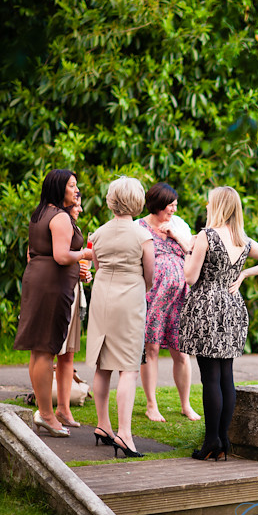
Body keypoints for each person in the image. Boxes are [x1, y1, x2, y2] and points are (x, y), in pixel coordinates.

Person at [178, 186, 258, 460]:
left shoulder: (206, 236)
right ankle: (223, 439)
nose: (206, 204)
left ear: (218, 206)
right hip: (233, 306)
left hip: (207, 307)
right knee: (226, 375)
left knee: (210, 377)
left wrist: (188, 249)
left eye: (209, 201)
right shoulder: (243, 240)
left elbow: (190, 278)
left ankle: (211, 440)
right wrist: (245, 272)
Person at [14, 169, 93, 438]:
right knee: (46, 349)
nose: (76, 190)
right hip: (51, 286)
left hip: (37, 280)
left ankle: (44, 410)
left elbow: (31, 253)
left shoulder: (39, 214)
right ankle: (47, 414)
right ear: (60, 188)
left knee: (39, 349)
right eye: (72, 185)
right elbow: (61, 256)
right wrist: (87, 253)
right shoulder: (59, 217)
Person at [86, 176, 155, 458]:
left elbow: (97, 265)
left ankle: (103, 425)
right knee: (128, 367)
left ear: (111, 200)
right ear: (137, 202)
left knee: (102, 364)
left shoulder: (98, 233)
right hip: (129, 300)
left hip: (101, 297)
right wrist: (141, 288)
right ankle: (125, 434)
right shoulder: (142, 235)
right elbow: (149, 274)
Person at [137, 182, 201, 423]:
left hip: (180, 297)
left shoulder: (179, 224)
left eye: (175, 205)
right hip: (152, 297)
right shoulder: (139, 227)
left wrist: (175, 235)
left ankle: (185, 404)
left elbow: (193, 253)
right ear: (158, 205)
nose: (174, 209)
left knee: (181, 351)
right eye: (170, 206)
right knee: (151, 349)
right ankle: (151, 405)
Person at [52, 196, 92, 429]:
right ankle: (46, 410)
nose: (81, 208)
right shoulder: (57, 223)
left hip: (75, 293)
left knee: (68, 354)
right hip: (58, 294)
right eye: (77, 204)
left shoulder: (73, 225)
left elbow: (74, 260)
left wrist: (85, 273)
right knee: (52, 352)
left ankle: (64, 409)